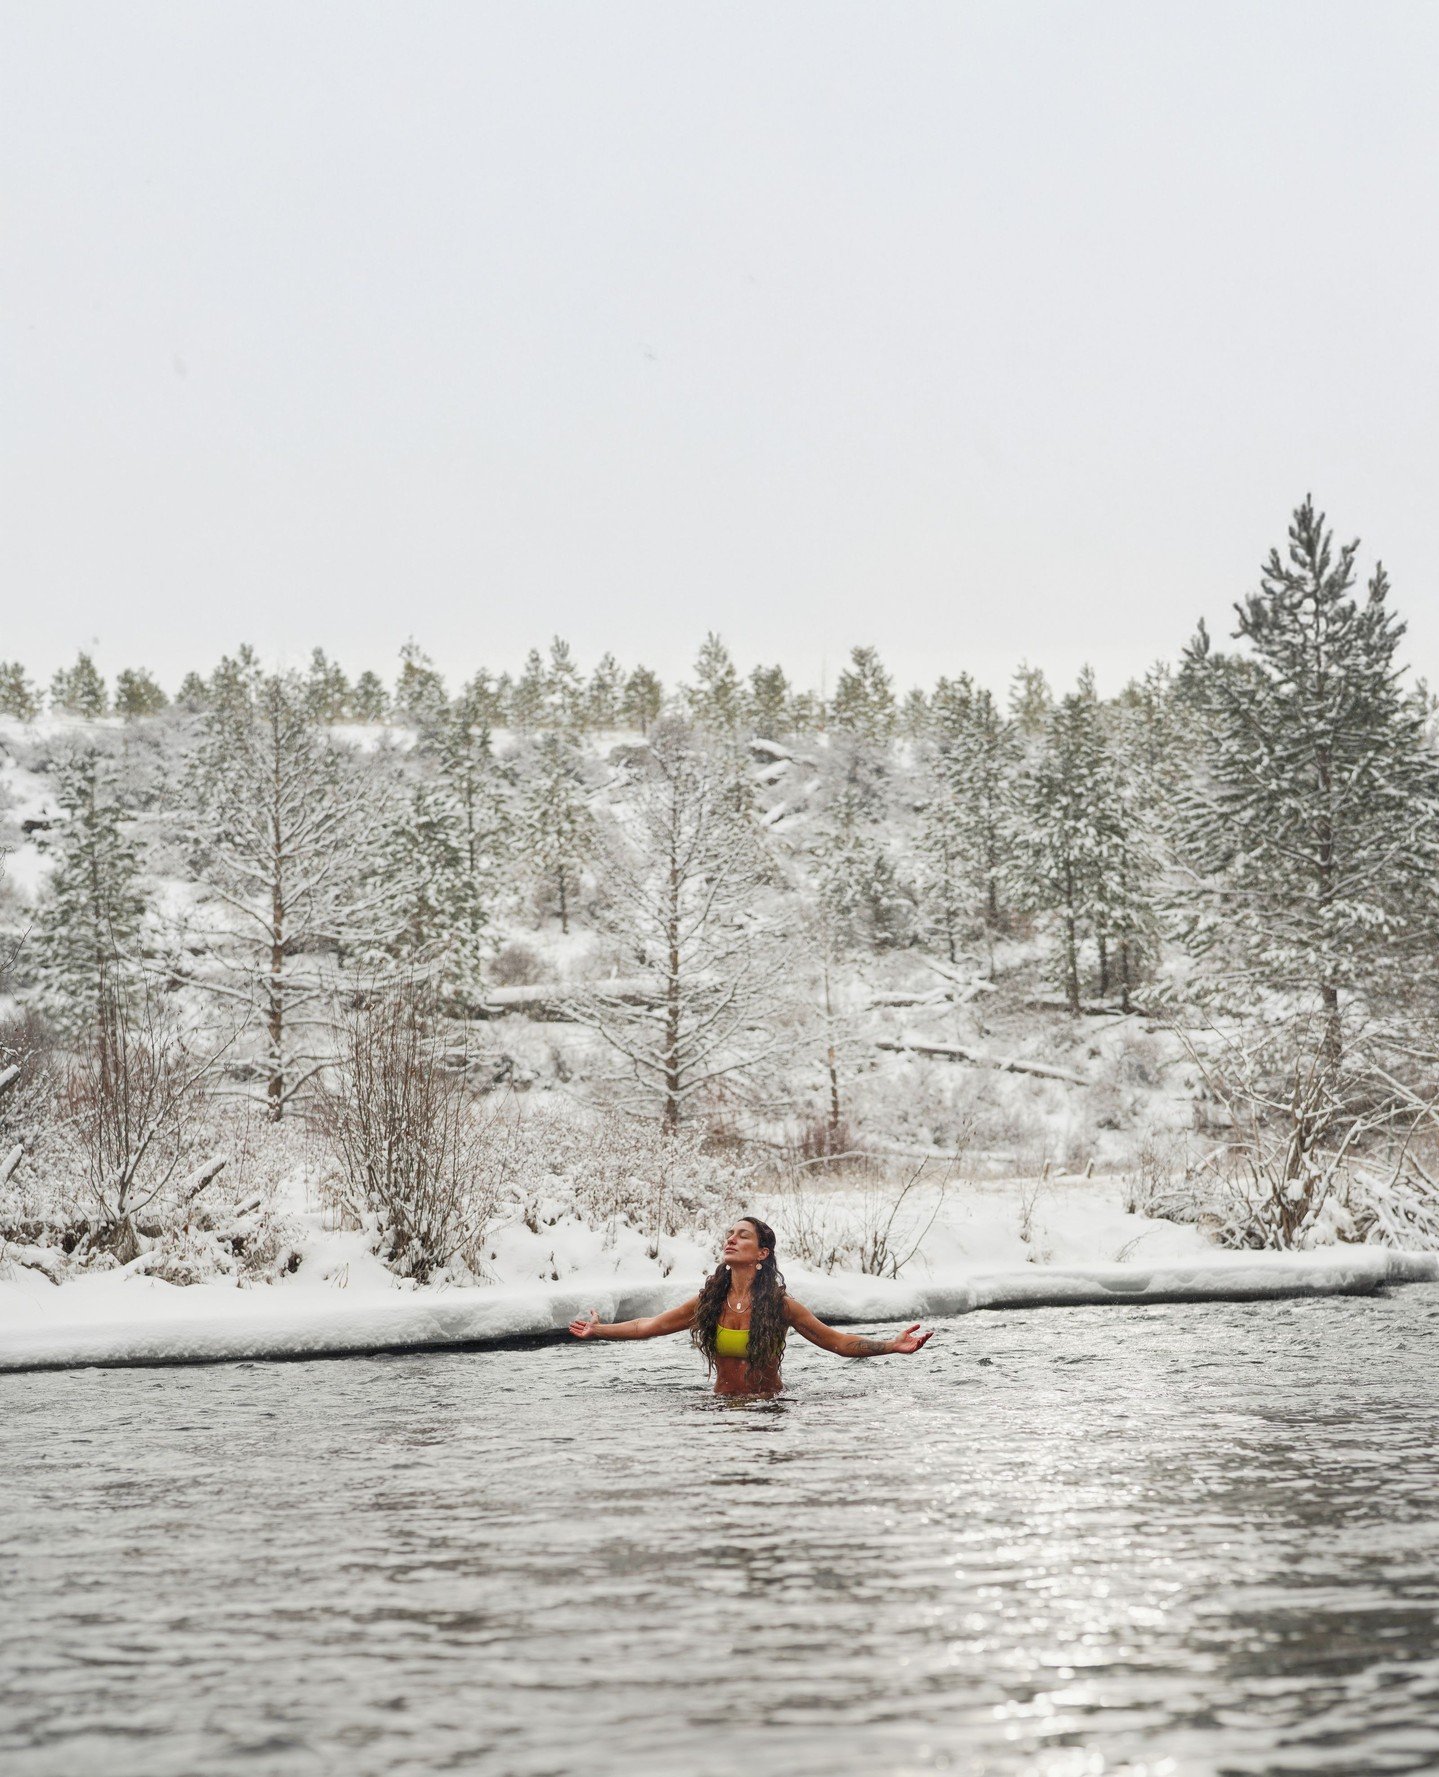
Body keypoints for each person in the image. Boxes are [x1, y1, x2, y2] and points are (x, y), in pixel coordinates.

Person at [568, 1214, 933, 1396]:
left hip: (769, 1408)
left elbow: (836, 1343)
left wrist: (892, 1346)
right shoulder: (709, 1301)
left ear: (762, 1253)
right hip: (719, 1409)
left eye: (742, 1235)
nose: (731, 1239)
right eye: (730, 1234)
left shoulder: (780, 1305)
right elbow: (646, 1326)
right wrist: (598, 1330)